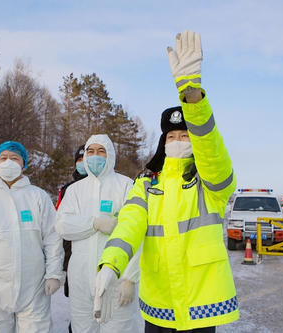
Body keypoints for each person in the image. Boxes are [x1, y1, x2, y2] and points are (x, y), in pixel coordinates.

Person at [95, 31, 239, 332]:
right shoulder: (146, 183)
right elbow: (129, 225)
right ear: (163, 143)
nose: (177, 141)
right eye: (171, 136)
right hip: (159, 303)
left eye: (184, 135)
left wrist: (192, 96)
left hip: (203, 302)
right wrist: (110, 264)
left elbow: (211, 152)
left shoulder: (209, 182)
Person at [0, 141, 64, 333]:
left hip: (34, 288)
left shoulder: (38, 198)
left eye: (14, 158)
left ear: (24, 164)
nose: (9, 162)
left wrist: (54, 273)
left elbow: (52, 239)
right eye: (3, 158)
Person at [56, 134, 142, 333]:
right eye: (91, 151)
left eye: (101, 151)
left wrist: (130, 278)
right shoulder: (75, 190)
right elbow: (62, 225)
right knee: (82, 329)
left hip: (116, 279)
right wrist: (93, 223)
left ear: (110, 155)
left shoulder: (126, 186)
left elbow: (137, 232)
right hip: (80, 279)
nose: (96, 156)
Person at [54, 144, 87, 333]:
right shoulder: (66, 189)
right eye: (79, 160)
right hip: (72, 252)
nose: (83, 163)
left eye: (85, 159)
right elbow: (60, 223)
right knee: (77, 302)